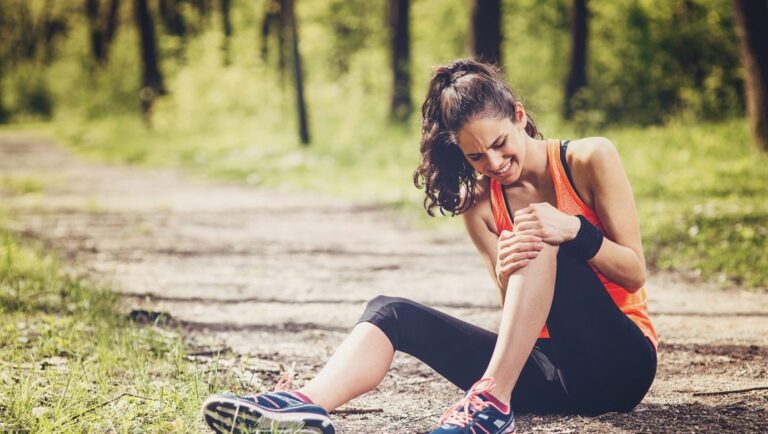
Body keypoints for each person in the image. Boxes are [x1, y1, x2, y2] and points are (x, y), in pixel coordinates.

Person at [201, 59, 658, 434]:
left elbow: (634, 271)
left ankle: (490, 405)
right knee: (390, 310)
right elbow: (523, 319)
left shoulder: (588, 159)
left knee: (537, 235)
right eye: (476, 156)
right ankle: (305, 403)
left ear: (519, 116)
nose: (494, 163)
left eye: (500, 144)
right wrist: (504, 273)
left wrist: (573, 230)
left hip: (621, 365)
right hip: (551, 375)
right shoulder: (478, 206)